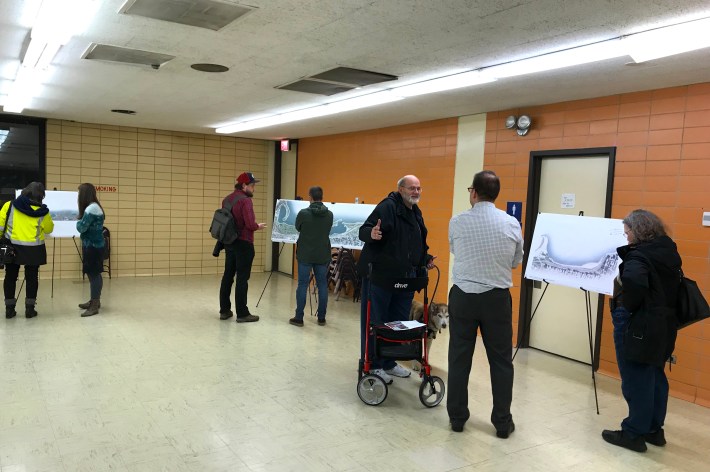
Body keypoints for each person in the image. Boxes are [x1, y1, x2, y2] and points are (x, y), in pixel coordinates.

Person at [447, 170, 523, 436]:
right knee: (501, 362)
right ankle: (502, 422)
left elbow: (455, 250)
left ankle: (457, 418)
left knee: (459, 358)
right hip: (497, 299)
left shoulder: (457, 222)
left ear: (474, 192)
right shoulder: (512, 223)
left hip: (464, 296)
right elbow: (515, 261)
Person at [602, 209, 681, 453]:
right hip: (664, 322)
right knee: (655, 374)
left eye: (627, 232)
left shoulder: (638, 258)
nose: (626, 237)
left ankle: (633, 433)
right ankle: (654, 430)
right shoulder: (667, 251)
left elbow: (635, 285)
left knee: (636, 377)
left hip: (638, 323)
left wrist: (625, 308)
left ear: (639, 231)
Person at [358, 175, 435, 384]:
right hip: (380, 278)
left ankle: (389, 363)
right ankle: (373, 364)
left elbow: (412, 244)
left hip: (405, 279)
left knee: (397, 324)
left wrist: (424, 259)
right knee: (376, 322)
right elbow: (363, 230)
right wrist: (371, 233)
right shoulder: (387, 207)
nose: (416, 192)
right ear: (400, 189)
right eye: (412, 188)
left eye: (419, 188)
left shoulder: (415, 213)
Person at [1, 182, 54, 318]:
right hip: (34, 250)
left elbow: (1, 226)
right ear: (41, 196)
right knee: (32, 278)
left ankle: (9, 309)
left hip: (12, 248)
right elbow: (49, 229)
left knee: (10, 277)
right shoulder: (43, 212)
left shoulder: (9, 205)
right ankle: (30, 310)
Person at [218, 172, 266, 322]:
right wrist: (258, 226)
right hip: (244, 243)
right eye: (252, 185)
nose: (254, 189)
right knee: (242, 279)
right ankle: (242, 313)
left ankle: (225, 310)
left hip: (229, 242)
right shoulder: (246, 201)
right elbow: (250, 224)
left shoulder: (227, 200)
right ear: (244, 185)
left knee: (228, 276)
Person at [289, 186, 334, 327]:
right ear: (322, 197)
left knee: (302, 285)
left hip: (305, 254)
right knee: (322, 285)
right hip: (322, 254)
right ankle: (321, 318)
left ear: (310, 197)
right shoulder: (329, 214)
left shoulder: (303, 213)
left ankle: (299, 317)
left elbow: (298, 227)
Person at [76, 183, 105, 317]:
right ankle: (94, 300)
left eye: (79, 193)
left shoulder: (91, 208)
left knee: (94, 274)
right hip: (94, 245)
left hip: (92, 247)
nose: (78, 196)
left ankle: (94, 305)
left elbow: (81, 227)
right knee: (93, 273)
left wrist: (77, 221)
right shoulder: (94, 206)